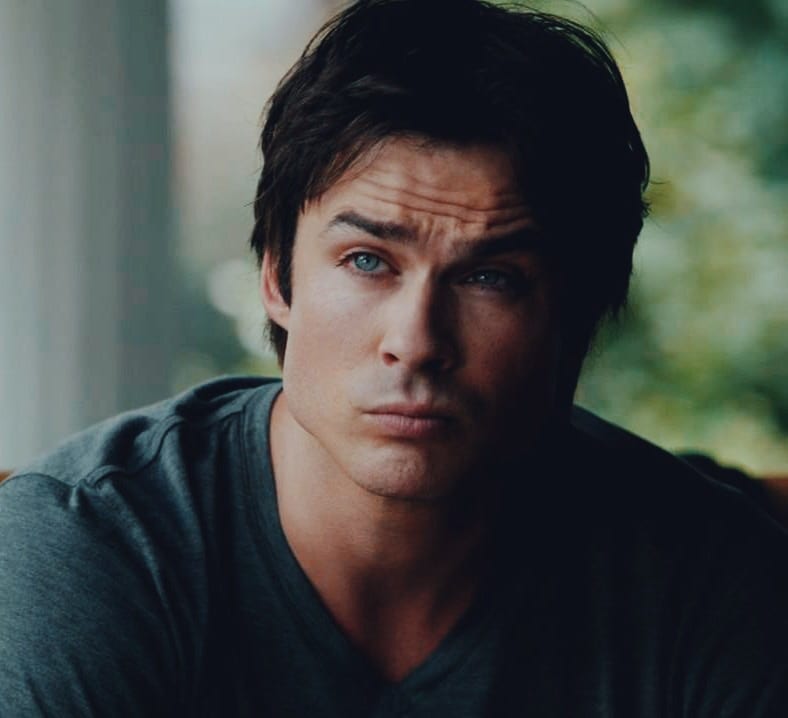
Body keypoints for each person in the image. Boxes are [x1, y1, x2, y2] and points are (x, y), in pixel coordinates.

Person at [1, 0, 786, 714]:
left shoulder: (708, 578)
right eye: (368, 261)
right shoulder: (90, 550)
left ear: (580, 313)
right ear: (276, 277)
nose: (416, 341)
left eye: (491, 277)